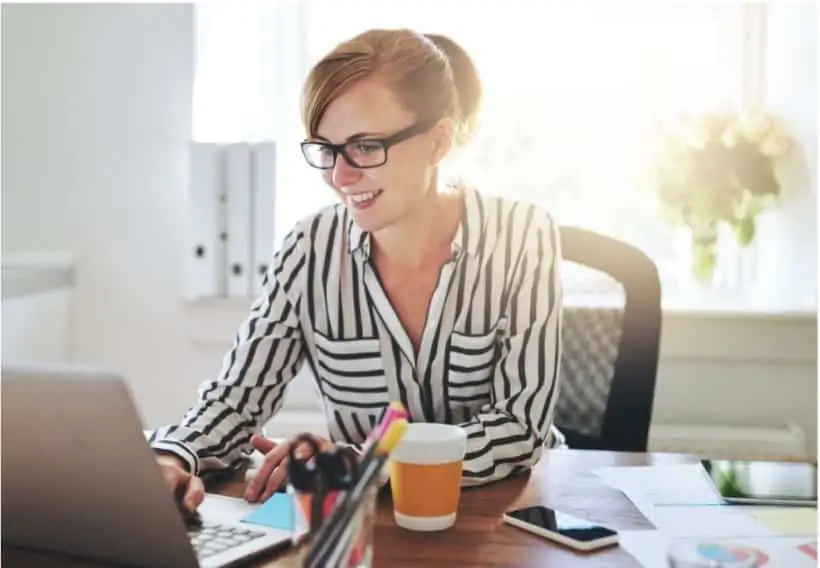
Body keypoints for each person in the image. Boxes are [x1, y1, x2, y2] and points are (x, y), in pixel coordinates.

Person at [151, 28, 563, 514]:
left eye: (366, 146)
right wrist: (170, 455)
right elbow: (236, 400)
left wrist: (365, 462)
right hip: (363, 529)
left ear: (438, 141)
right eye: (326, 149)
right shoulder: (309, 248)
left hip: (500, 520)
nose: (340, 177)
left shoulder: (523, 235)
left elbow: (519, 427)